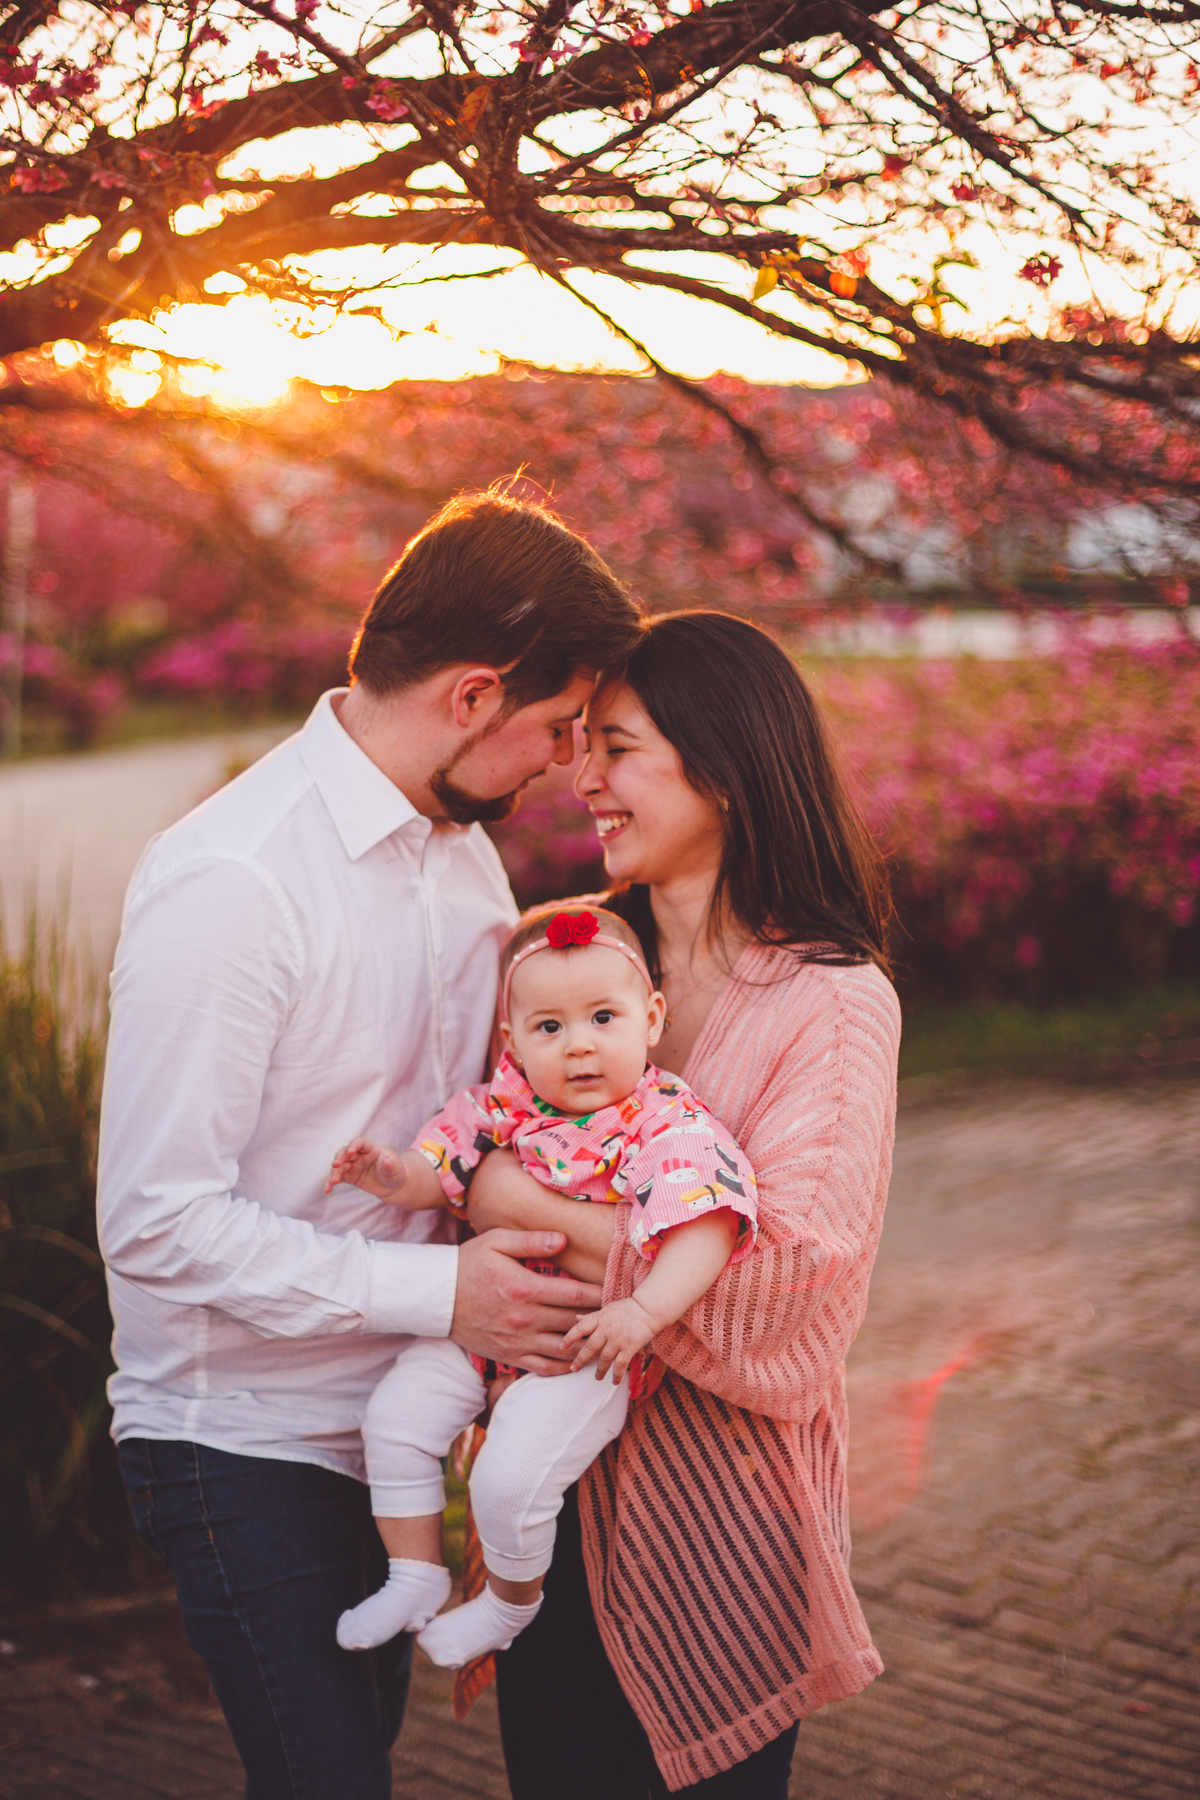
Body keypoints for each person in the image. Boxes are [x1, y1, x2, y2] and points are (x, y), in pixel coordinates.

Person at [97, 491, 644, 1800]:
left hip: (396, 1429)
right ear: (472, 697)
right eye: (557, 728)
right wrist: (450, 1291)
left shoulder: (464, 867)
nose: (567, 765)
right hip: (241, 1439)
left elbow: (465, 1132)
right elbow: (155, 1221)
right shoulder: (234, 881)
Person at [463, 609, 900, 1798]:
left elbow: (793, 1285)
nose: (584, 777)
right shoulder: (568, 965)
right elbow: (455, 1157)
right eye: (583, 744)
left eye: (619, 748)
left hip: (722, 1540)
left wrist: (519, 1201)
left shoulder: (835, 1004)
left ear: (723, 761)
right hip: (555, 1509)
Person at [324, 903, 757, 1668]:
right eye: (549, 1027)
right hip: (486, 1330)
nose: (579, 1045)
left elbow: (707, 1228)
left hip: (586, 1348)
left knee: (508, 1477)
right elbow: (440, 1168)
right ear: (513, 1041)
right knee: (393, 1417)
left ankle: (506, 1606)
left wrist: (643, 1312)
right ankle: (415, 1572)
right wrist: (392, 1175)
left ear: (650, 1017)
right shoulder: (499, 1105)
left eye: (602, 1017)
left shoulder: (663, 1121)